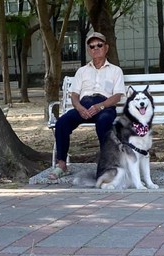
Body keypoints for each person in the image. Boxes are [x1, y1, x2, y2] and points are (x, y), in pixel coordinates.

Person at [49, 32, 126, 180]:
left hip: (105, 105)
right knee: (62, 123)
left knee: (104, 123)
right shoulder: (82, 71)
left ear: (106, 47)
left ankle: (106, 166)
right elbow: (74, 95)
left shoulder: (115, 70)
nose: (95, 48)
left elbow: (117, 96)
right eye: (92, 46)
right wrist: (79, 107)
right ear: (89, 50)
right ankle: (61, 165)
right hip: (84, 105)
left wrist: (100, 106)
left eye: (99, 45)